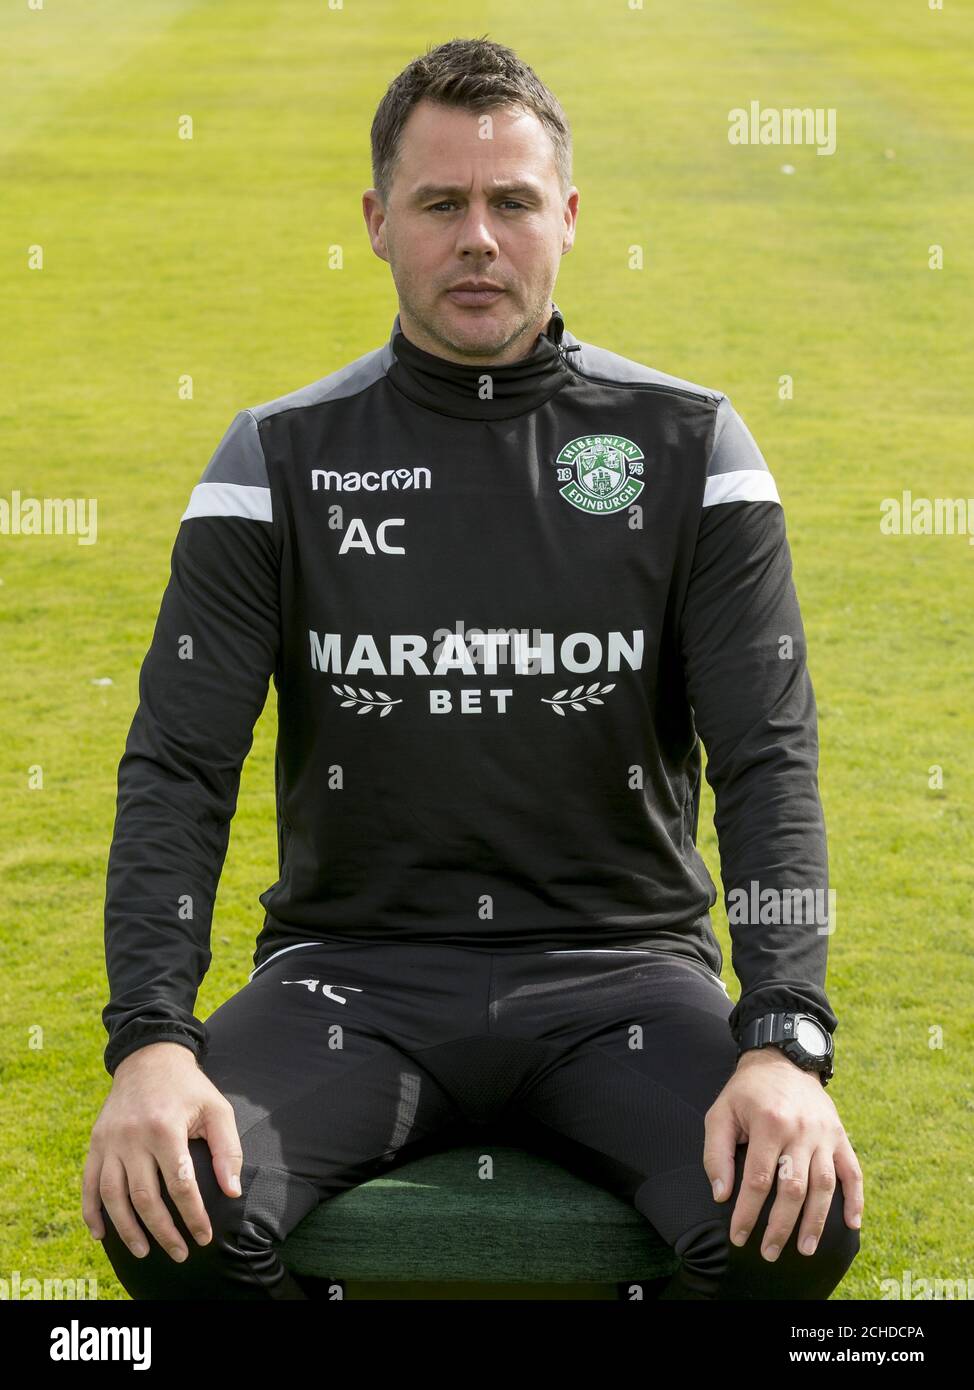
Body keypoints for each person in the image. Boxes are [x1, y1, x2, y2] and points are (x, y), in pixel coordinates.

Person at [83, 35, 863, 1300]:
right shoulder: (275, 458)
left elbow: (766, 758)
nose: (478, 238)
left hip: (623, 970)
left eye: (509, 201)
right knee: (163, 1208)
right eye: (440, 203)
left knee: (795, 1221)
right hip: (348, 972)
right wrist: (150, 1043)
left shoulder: (689, 443)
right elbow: (177, 767)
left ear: (567, 214)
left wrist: (781, 1037)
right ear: (377, 222)